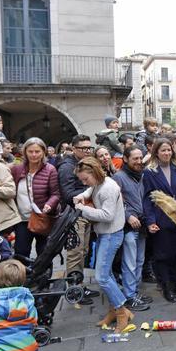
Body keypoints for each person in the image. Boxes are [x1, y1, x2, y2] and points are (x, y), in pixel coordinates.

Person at [73, 157, 136, 332]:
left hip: (110, 235)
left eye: (85, 179)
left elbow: (107, 215)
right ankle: (114, 311)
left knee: (101, 277)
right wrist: (82, 195)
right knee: (106, 274)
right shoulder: (101, 182)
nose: (84, 182)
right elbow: (91, 189)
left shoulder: (108, 188)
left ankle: (122, 312)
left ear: (94, 172)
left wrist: (82, 209)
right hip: (107, 234)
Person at [142, 137, 176, 302]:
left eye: (169, 150)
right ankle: (166, 287)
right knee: (163, 256)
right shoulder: (150, 171)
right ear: (156, 152)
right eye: (163, 150)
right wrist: (150, 221)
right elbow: (147, 198)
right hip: (161, 219)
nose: (167, 153)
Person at [57, 135, 100, 303]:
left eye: (90, 148)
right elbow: (67, 194)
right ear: (74, 148)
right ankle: (74, 290)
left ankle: (80, 285)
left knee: (83, 251)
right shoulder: (67, 167)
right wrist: (90, 196)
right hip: (75, 215)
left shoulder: (86, 164)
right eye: (84, 148)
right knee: (75, 252)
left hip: (86, 213)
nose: (88, 151)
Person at [112, 145, 152, 311]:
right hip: (128, 226)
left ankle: (134, 292)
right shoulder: (118, 177)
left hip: (142, 225)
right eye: (134, 158)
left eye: (140, 158)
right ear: (126, 159)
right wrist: (128, 215)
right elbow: (116, 201)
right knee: (129, 262)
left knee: (139, 260)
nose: (138, 161)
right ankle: (129, 296)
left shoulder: (142, 175)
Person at [9, 138, 60, 263]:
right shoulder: (17, 169)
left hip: (43, 217)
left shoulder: (50, 169)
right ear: (25, 152)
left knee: (44, 253)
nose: (34, 155)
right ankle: (22, 279)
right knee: (21, 252)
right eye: (30, 151)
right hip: (22, 219)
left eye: (37, 151)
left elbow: (56, 194)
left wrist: (49, 205)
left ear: (43, 152)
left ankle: (43, 280)